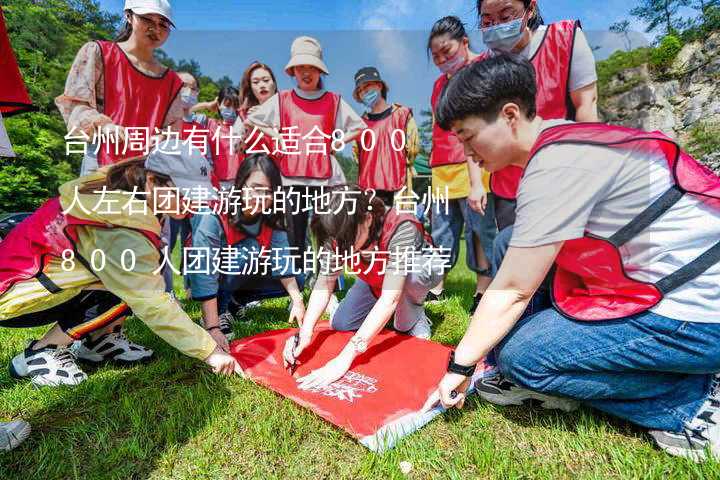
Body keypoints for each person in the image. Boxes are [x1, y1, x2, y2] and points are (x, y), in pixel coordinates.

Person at [426, 54, 720, 461]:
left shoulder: (555, 168)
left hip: (699, 315)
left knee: (523, 359)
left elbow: (511, 290)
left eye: (468, 136)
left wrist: (461, 365)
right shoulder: (564, 137)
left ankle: (692, 401)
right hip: (667, 281)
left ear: (509, 115)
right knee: (508, 240)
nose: (466, 152)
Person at [0, 142, 242, 388]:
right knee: (135, 286)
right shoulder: (120, 218)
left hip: (33, 280)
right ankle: (40, 352)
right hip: (16, 294)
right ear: (151, 180)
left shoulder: (127, 190)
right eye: (182, 193)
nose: (190, 202)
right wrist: (210, 351)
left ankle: (100, 341)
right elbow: (151, 302)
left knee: (139, 274)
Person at [476, 0, 599, 285]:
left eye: (506, 16)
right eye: (487, 20)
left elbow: (587, 109)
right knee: (519, 270)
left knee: (566, 270)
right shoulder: (483, 67)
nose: (496, 27)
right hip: (510, 188)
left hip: (562, 180)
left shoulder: (564, 39)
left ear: (530, 9)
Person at [282, 186, 446, 389]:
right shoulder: (337, 231)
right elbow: (325, 281)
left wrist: (344, 358)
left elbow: (389, 299)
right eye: (337, 242)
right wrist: (306, 331)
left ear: (368, 219)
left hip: (414, 271)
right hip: (375, 276)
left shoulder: (401, 226)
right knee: (342, 323)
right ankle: (379, 305)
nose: (341, 249)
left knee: (403, 323)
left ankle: (416, 311)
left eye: (347, 241)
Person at [245, 36, 366, 267]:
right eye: (301, 67)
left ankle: (327, 285)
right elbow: (253, 118)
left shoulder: (333, 101)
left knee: (328, 230)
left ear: (320, 71)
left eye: (312, 67)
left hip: (325, 178)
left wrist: (337, 142)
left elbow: (359, 127)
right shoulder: (282, 100)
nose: (306, 72)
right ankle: (299, 286)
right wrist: (277, 136)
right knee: (294, 234)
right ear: (293, 71)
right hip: (291, 178)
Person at [186, 153, 305, 349]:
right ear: (241, 185)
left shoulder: (271, 215)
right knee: (250, 249)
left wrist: (298, 302)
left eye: (269, 192)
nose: (261, 198)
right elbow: (204, 270)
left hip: (239, 270)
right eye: (256, 189)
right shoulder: (213, 212)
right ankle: (218, 312)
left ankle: (234, 301)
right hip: (210, 271)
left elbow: (282, 261)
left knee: (298, 279)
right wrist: (212, 328)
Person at [56, 0, 184, 175]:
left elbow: (174, 127)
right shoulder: (99, 53)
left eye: (163, 24)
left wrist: (164, 138)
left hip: (147, 171)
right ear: (129, 16)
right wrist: (104, 126)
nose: (156, 29)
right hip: (101, 164)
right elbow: (75, 105)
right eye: (147, 19)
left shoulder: (172, 81)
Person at [427, 16, 497, 313]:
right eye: (437, 56)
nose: (443, 59)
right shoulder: (439, 84)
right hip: (441, 168)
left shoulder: (485, 67)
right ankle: (435, 288)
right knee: (441, 230)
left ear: (465, 42)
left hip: (477, 164)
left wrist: (479, 179)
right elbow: (436, 125)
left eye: (447, 51)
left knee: (479, 230)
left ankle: (482, 291)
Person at [351, 66, 420, 207]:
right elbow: (357, 157)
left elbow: (412, 149)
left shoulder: (402, 115)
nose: (364, 92)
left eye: (367, 86)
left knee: (399, 227)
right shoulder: (358, 125)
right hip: (369, 192)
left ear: (379, 85)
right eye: (360, 90)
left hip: (399, 188)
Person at [191, 86, 242, 190]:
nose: (231, 110)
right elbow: (184, 113)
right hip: (217, 183)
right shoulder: (209, 123)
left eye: (235, 106)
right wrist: (207, 105)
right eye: (227, 105)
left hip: (240, 183)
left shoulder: (243, 125)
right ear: (219, 104)